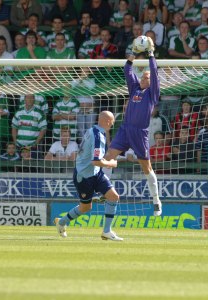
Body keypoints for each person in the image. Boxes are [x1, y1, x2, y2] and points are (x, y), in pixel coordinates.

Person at [104, 38, 163, 217]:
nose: (145, 77)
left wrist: (151, 55)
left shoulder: (152, 94)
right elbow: (127, 70)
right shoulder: (134, 89)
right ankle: (104, 191)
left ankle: (156, 200)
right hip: (125, 129)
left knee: (147, 168)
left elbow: (154, 71)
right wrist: (132, 56)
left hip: (140, 133)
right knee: (108, 157)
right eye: (143, 75)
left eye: (147, 76)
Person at [54, 111, 122, 241]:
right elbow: (96, 161)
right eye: (112, 122)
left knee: (113, 196)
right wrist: (111, 163)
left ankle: (107, 231)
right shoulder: (97, 136)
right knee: (86, 207)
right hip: (84, 176)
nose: (112, 124)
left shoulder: (92, 130)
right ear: (107, 121)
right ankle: (61, 222)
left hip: (95, 172)